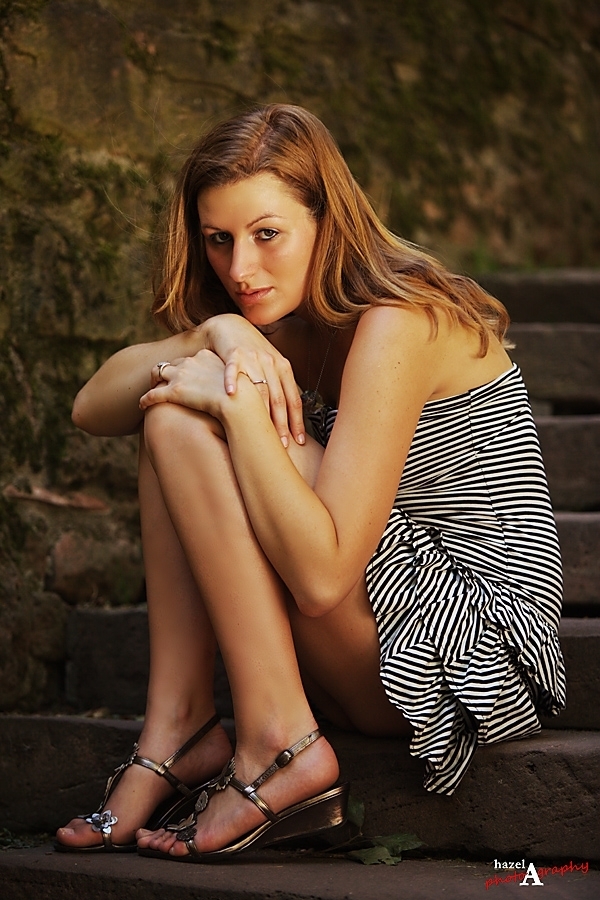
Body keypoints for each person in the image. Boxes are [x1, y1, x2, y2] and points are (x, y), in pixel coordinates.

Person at [55, 104, 565, 862]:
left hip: (467, 650)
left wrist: (238, 407)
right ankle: (180, 727)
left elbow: (325, 579)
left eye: (267, 235)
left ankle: (280, 745)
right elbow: (92, 406)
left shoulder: (402, 320)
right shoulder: (263, 322)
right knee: (168, 415)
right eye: (218, 241)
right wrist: (215, 334)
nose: (241, 270)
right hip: (361, 635)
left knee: (194, 408)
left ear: (327, 221)